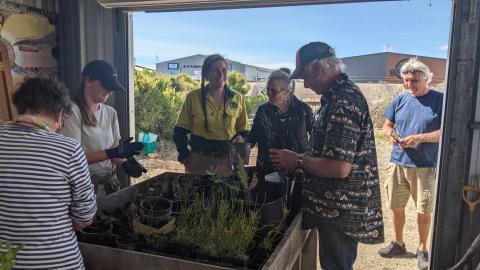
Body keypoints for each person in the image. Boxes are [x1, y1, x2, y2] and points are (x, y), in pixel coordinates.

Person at [270, 42, 384, 270]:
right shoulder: (337, 96)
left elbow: (339, 167)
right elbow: (329, 151)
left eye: (304, 75)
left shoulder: (342, 101)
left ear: (318, 70)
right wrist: (297, 159)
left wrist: (298, 160)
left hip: (339, 212)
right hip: (336, 209)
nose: (304, 83)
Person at [0, 77, 96, 269]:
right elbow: (85, 217)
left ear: (20, 106)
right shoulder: (69, 149)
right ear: (59, 115)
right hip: (58, 262)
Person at [378, 58, 442, 270]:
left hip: (425, 166)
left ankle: (422, 249)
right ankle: (398, 244)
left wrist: (420, 138)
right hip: (397, 163)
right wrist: (392, 135)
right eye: (406, 80)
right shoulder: (400, 100)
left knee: (423, 211)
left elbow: (445, 132)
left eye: (414, 80)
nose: (409, 84)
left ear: (427, 79)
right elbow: (386, 126)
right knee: (396, 207)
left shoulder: (440, 101)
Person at [61, 60, 144, 198]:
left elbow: (114, 151)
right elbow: (73, 159)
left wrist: (125, 164)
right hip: (84, 188)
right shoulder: (71, 112)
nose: (110, 92)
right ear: (88, 80)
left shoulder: (110, 113)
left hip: (110, 184)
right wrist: (113, 152)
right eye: (106, 85)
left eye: (112, 88)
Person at [173, 54, 250, 177]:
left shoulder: (237, 98)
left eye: (224, 70)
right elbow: (179, 131)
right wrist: (183, 153)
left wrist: (242, 138)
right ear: (206, 74)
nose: (220, 74)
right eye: (215, 70)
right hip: (198, 162)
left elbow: (245, 131)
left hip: (226, 163)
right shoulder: (193, 97)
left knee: (223, 196)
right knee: (197, 196)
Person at [247, 68, 313, 179]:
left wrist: (305, 159)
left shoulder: (303, 110)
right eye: (267, 90)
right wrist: (243, 144)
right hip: (267, 172)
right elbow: (252, 137)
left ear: (288, 91)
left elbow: (316, 141)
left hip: (297, 173)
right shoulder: (263, 111)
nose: (268, 94)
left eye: (273, 91)